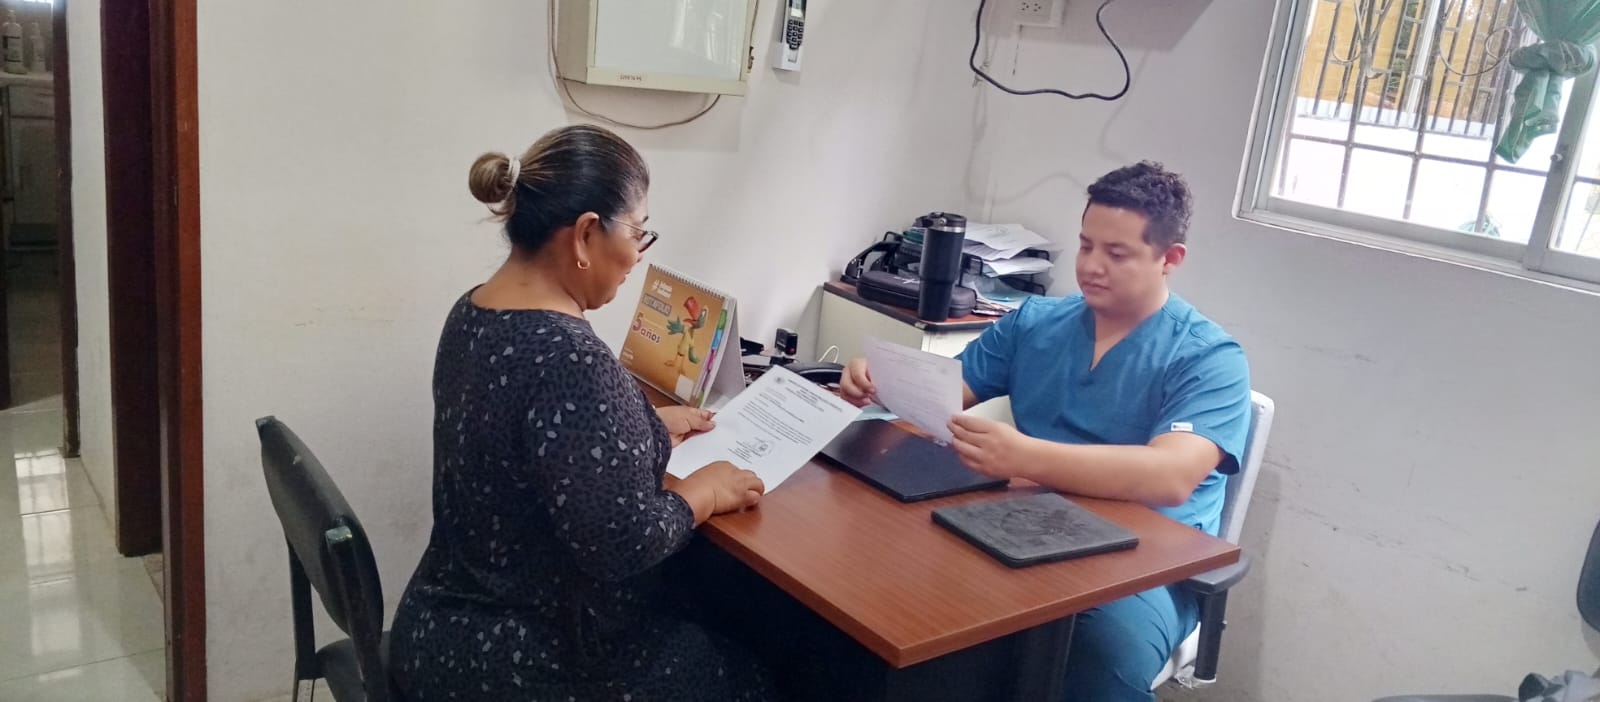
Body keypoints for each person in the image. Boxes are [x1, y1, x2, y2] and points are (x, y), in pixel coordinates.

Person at [840, 162, 1252, 702]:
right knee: (907, 605)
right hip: (1018, 527)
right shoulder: (1035, 322)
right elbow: (944, 393)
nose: (1092, 266)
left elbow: (1170, 476)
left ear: (1170, 259)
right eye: (1086, 246)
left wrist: (1025, 457)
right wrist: (878, 381)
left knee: (1096, 659)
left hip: (1142, 566)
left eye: (1117, 253)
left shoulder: (1209, 358)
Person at [390, 124, 774, 702]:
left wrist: (644, 426)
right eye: (638, 232)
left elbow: (525, 437)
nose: (638, 255)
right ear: (587, 233)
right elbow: (623, 545)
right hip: (523, 660)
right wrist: (706, 492)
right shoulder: (569, 357)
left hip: (438, 629)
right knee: (749, 672)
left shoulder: (472, 311)